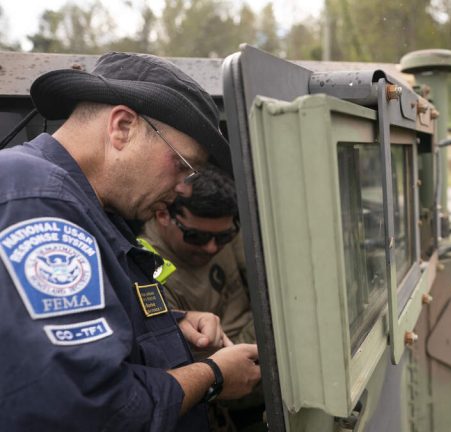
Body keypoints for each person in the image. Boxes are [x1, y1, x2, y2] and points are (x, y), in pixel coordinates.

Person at [0, 52, 261, 431]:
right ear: (122, 127)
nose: (181, 189)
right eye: (183, 166)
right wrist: (213, 376)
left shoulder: (89, 206)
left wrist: (173, 324)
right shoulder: (37, 202)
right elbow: (95, 408)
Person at [141, 167, 255, 346]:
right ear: (163, 215)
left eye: (224, 237)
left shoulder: (224, 231)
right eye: (197, 236)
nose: (211, 247)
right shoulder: (147, 269)